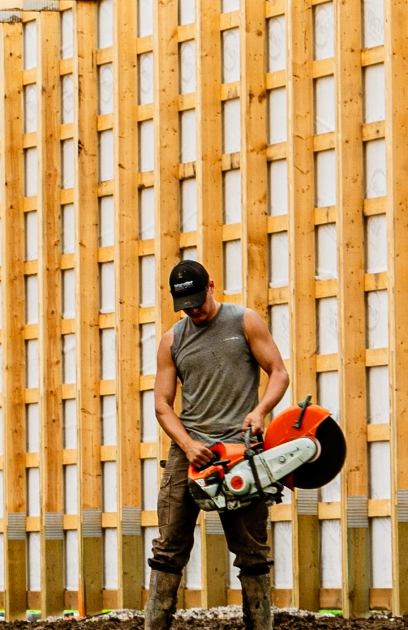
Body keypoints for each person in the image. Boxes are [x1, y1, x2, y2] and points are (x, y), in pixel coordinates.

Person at [143, 260, 290, 630]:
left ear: (210, 285)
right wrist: (188, 445)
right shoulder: (172, 340)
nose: (194, 310)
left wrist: (260, 411)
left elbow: (279, 372)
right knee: (168, 548)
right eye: (185, 306)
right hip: (190, 451)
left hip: (240, 450)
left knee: (252, 551)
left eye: (197, 301)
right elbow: (162, 404)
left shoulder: (244, 321)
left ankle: (259, 625)